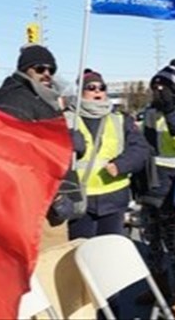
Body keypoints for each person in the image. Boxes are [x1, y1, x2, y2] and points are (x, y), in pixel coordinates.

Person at [0, 44, 79, 250]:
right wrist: (55, 197)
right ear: (24, 69)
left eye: (51, 70)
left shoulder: (41, 98)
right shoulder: (15, 101)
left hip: (46, 205)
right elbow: (15, 157)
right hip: (38, 211)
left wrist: (66, 140)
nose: (47, 74)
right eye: (39, 69)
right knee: (50, 272)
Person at [138, 59, 175, 320]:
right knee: (151, 243)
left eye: (164, 86)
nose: (158, 91)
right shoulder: (149, 113)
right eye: (155, 86)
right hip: (148, 189)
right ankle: (158, 288)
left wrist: (171, 111)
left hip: (172, 190)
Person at [67, 69, 150, 240]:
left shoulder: (120, 119)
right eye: (91, 87)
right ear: (81, 91)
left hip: (114, 199)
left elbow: (140, 149)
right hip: (80, 200)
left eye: (101, 87)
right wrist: (67, 144)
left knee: (110, 253)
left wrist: (121, 165)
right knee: (81, 254)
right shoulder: (66, 119)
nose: (97, 91)